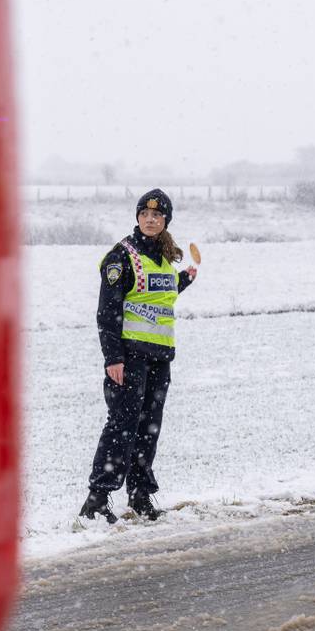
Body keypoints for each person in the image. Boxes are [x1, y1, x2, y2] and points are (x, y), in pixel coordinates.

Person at [79, 188, 197, 523]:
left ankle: (141, 495)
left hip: (159, 358)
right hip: (128, 359)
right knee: (122, 426)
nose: (149, 220)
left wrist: (184, 280)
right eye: (144, 215)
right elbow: (107, 311)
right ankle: (97, 500)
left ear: (165, 221)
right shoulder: (122, 256)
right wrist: (112, 357)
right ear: (137, 218)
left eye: (157, 216)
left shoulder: (162, 257)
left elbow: (160, 295)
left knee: (148, 428)